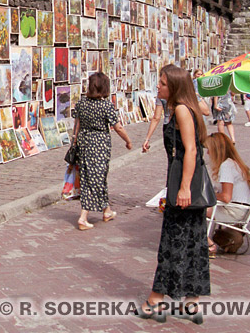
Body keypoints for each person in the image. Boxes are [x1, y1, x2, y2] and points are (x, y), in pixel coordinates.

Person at [140, 64, 210, 323]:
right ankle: (191, 303)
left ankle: (156, 300)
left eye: (162, 83)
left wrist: (183, 188)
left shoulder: (182, 109)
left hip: (184, 185)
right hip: (184, 182)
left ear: (175, 86)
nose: (158, 86)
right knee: (192, 241)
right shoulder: (183, 108)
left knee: (172, 241)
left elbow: (190, 151)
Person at [71, 72, 132, 230]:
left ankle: (107, 211)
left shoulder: (81, 103)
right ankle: (84, 216)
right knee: (96, 178)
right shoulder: (105, 105)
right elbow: (117, 126)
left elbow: (76, 124)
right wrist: (128, 140)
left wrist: (74, 141)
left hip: (84, 143)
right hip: (99, 144)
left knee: (91, 176)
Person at [202, 132, 250, 256]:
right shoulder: (233, 163)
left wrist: (209, 195)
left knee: (193, 210)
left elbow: (226, 197)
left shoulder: (226, 166)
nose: (207, 153)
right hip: (241, 208)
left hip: (234, 211)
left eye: (209, 150)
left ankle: (209, 244)